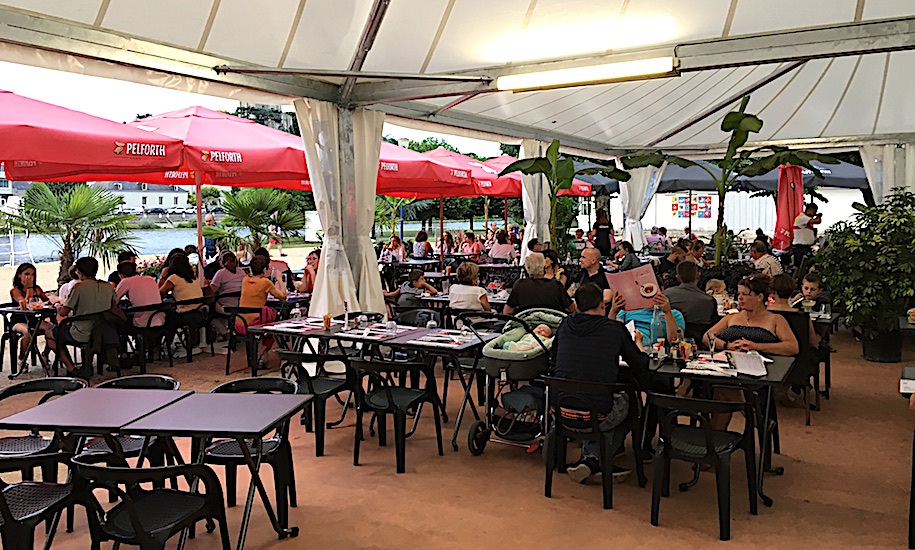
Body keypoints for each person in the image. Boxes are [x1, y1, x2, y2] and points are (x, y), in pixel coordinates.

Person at [552, 282, 650, 483]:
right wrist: (639, 344)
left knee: (594, 399)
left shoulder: (565, 325)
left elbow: (553, 358)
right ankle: (598, 459)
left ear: (576, 306)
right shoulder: (614, 329)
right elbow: (640, 365)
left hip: (559, 409)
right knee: (634, 405)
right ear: (602, 305)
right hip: (596, 414)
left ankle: (591, 459)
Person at [702, 276, 799, 430]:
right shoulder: (732, 317)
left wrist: (757, 346)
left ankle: (714, 442)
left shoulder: (775, 319)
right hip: (728, 366)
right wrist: (727, 345)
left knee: (724, 389)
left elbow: (792, 347)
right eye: (738, 294)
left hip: (758, 372)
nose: (740, 298)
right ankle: (754, 417)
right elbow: (707, 336)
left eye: (745, 294)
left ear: (760, 297)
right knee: (722, 387)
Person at [56, 257, 126, 373]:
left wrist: (57, 307)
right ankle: (86, 365)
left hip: (82, 332)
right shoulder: (107, 286)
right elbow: (114, 307)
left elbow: (64, 312)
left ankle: (71, 367)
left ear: (79, 272)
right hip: (102, 330)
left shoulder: (78, 288)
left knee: (52, 334)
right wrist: (124, 320)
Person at [238, 255, 287, 368]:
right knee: (275, 322)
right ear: (264, 269)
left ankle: (263, 355)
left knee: (269, 319)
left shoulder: (245, 280)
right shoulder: (265, 282)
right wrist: (279, 278)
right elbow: (283, 296)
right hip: (253, 323)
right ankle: (263, 351)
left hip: (239, 322)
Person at [10, 262, 56, 370]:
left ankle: (45, 354)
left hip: (34, 319)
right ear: (19, 275)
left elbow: (47, 301)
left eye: (32, 274)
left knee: (52, 329)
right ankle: (22, 358)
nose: (30, 277)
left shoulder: (37, 289)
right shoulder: (15, 291)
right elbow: (24, 305)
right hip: (19, 321)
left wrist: (46, 303)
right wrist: (29, 288)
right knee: (28, 332)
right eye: (27, 274)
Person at [159, 253, 206, 343]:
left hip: (187, 315)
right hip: (201, 313)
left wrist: (162, 277)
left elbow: (160, 293)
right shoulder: (193, 277)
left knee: (167, 316)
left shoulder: (174, 278)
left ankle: (167, 342)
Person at [504, 253, 573, 315]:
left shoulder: (520, 285)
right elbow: (573, 309)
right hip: (551, 325)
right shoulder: (556, 285)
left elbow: (507, 311)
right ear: (543, 267)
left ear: (527, 268)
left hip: (526, 325)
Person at [612, 291, 684, 346]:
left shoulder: (674, 314)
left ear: (661, 290)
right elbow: (611, 332)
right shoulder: (628, 310)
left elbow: (676, 342)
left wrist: (668, 313)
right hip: (630, 349)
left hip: (658, 353)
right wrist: (613, 311)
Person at [664, 261, 718, 330]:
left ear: (677, 277)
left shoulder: (667, 295)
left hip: (673, 336)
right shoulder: (709, 300)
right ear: (698, 276)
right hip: (700, 338)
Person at [115, 261, 165, 329]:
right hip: (159, 318)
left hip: (143, 322)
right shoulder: (150, 279)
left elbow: (114, 300)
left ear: (121, 275)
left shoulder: (126, 281)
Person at [793, 203, 821, 268]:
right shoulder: (802, 218)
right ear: (810, 210)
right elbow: (817, 221)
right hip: (800, 247)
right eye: (814, 212)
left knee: (807, 266)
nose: (814, 214)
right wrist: (819, 215)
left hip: (806, 247)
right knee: (800, 267)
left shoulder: (806, 220)